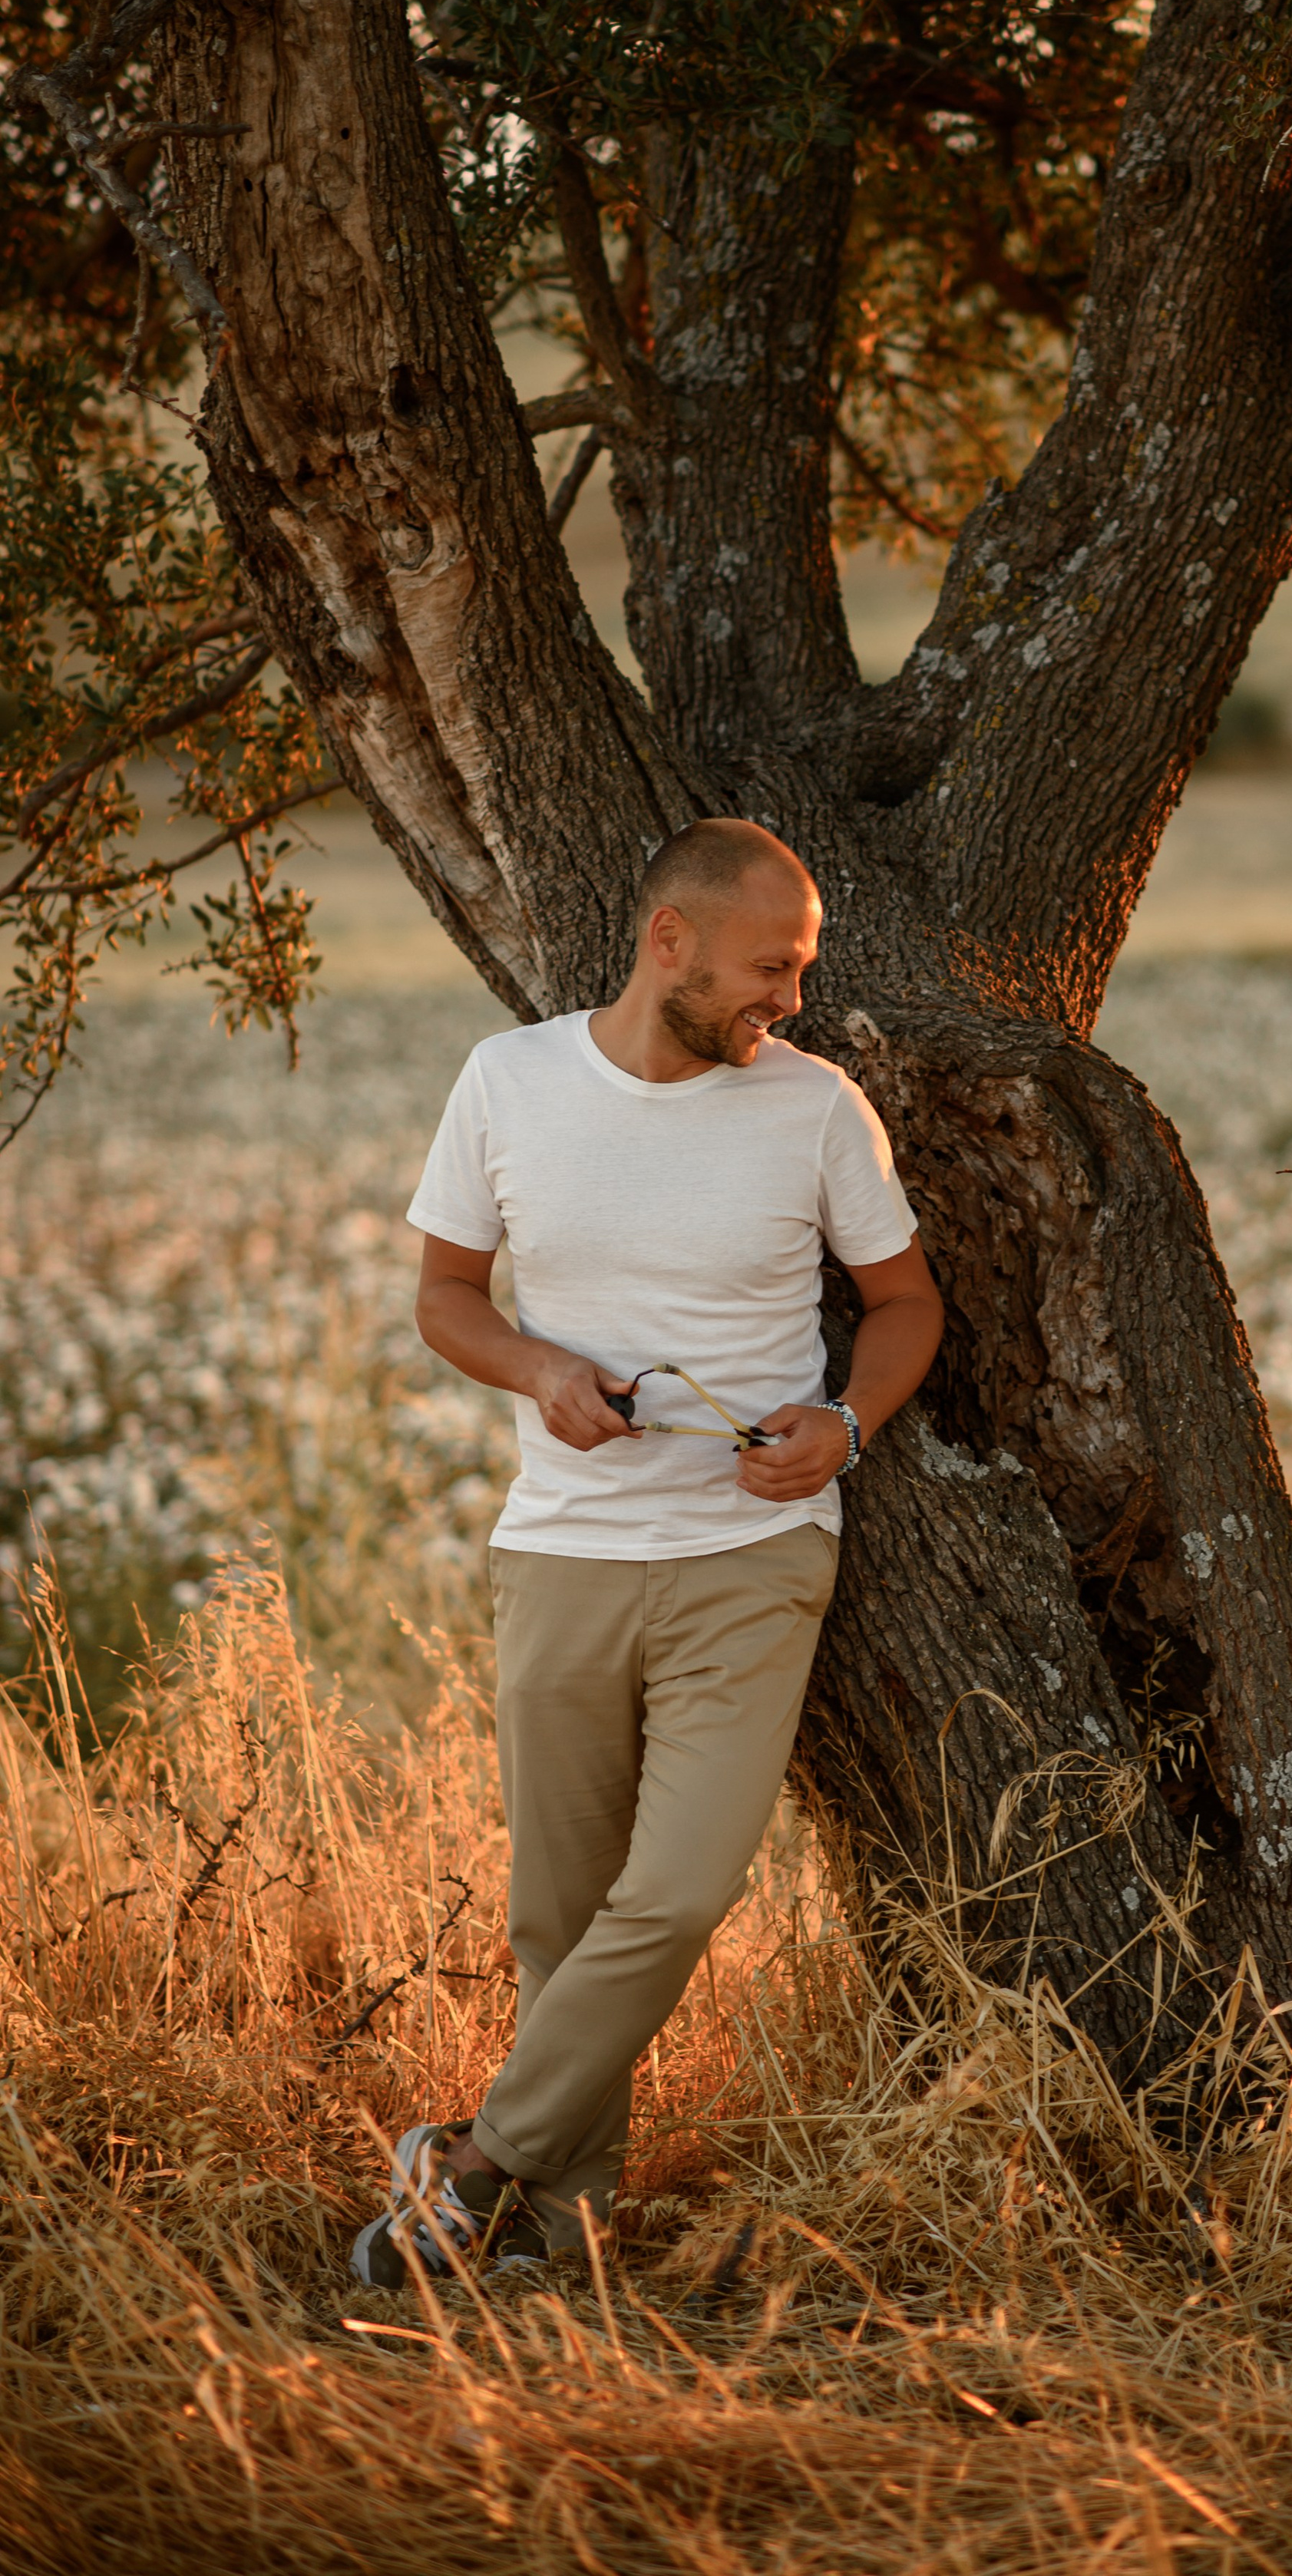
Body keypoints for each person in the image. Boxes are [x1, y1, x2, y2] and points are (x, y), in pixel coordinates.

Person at [353, 820, 943, 2284]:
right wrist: (539, 1369)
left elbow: (907, 1303)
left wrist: (845, 1426)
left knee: (677, 1892)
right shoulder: (508, 1081)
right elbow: (444, 1296)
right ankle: (561, 2229)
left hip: (755, 1559)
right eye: (771, 966)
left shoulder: (817, 1110)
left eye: (798, 971)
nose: (791, 999)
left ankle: (472, 2158)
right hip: (562, 1549)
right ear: (668, 940)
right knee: (561, 1914)